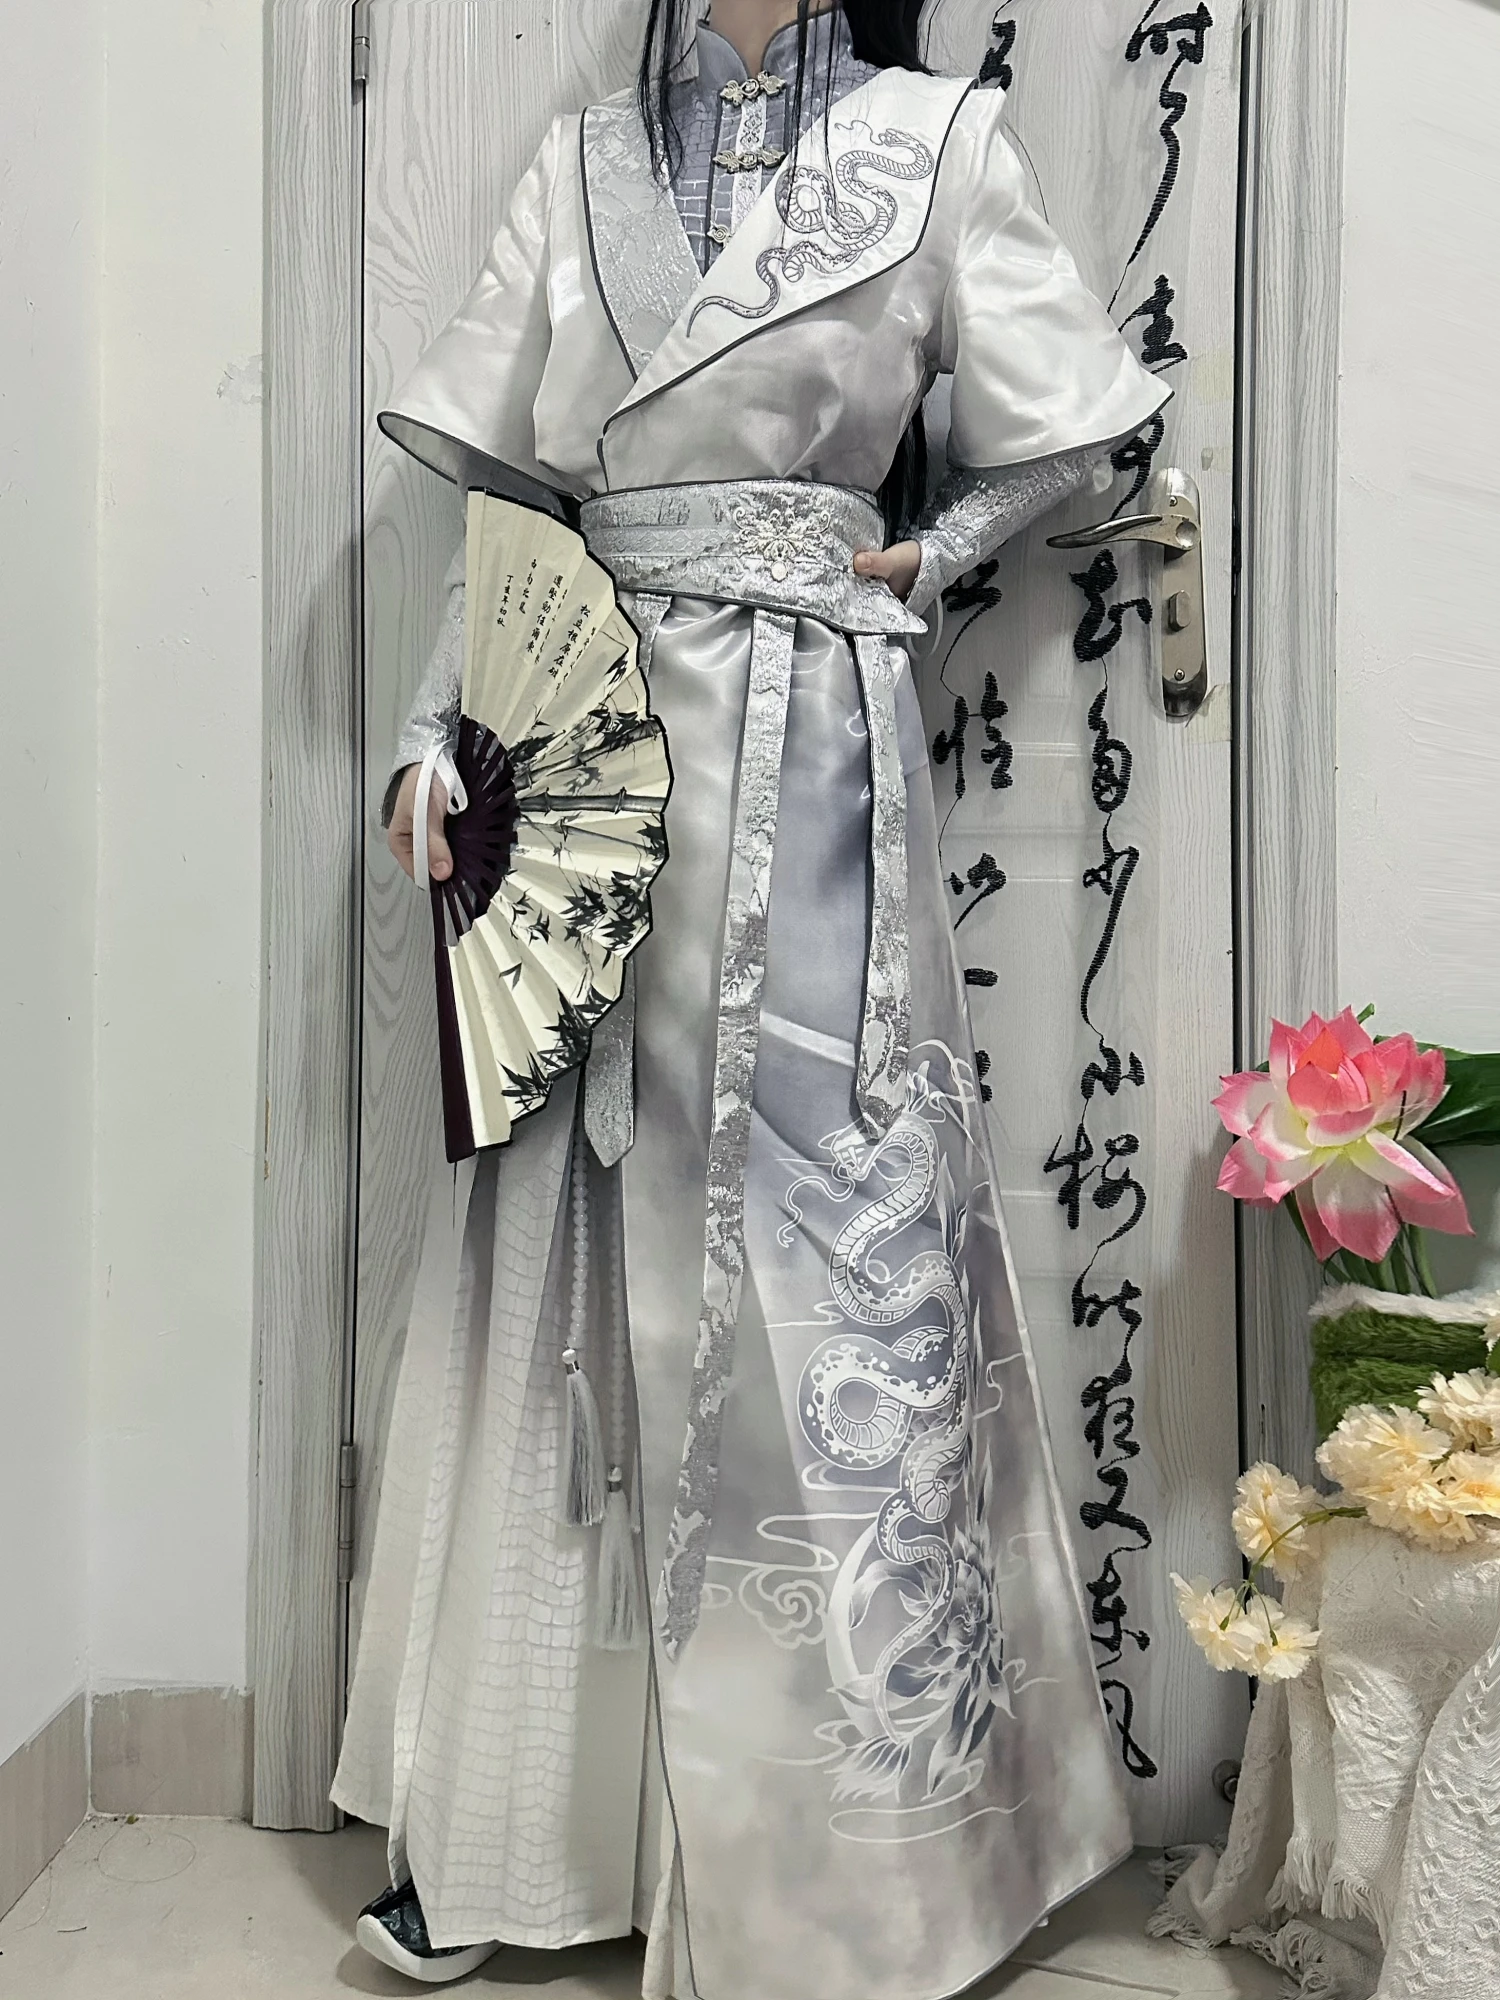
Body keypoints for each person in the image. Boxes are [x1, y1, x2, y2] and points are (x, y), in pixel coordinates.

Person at [333, 1, 1170, 1991]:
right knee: (562, 1239)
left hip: (810, 754)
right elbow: (519, 507)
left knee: (822, 1252)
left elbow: (1069, 424)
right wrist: (434, 724)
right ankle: (517, 1833)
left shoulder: (932, 141)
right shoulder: (583, 164)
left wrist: (932, 555)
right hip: (585, 760)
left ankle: (851, 1873)